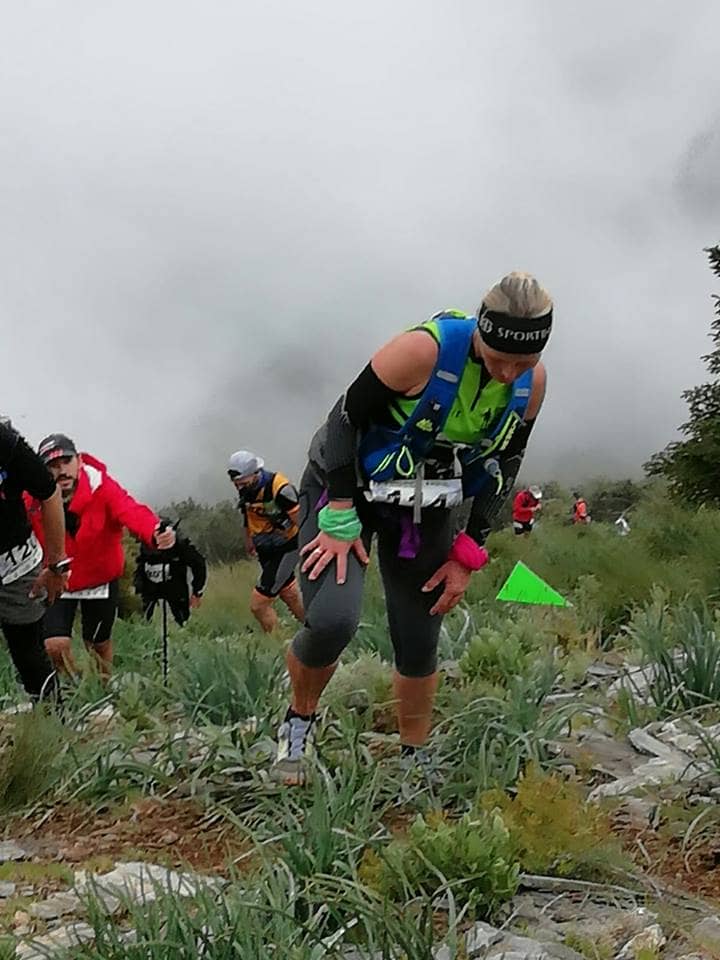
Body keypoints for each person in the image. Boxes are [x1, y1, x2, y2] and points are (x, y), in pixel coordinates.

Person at [272, 271, 552, 785]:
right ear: (479, 334)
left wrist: (472, 547)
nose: (509, 372)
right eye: (497, 358)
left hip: (424, 500)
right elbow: (343, 421)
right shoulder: (421, 352)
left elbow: (508, 459)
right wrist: (337, 511)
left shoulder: (531, 384)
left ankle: (413, 756)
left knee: (421, 632)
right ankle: (298, 721)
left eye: (524, 362)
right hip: (347, 486)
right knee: (333, 618)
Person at [25, 434, 176, 678]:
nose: (61, 470)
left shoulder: (102, 486)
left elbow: (131, 510)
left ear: (79, 460)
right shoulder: (33, 496)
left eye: (66, 461)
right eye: (52, 465)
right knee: (54, 646)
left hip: (100, 578)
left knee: (98, 644)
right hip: (58, 578)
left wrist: (155, 532)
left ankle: (102, 690)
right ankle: (73, 689)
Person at [0, 419, 69, 702]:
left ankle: (54, 730)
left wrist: (56, 565)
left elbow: (48, 492)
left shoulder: (4, 442)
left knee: (30, 659)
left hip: (16, 569)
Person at [228, 451, 304, 632]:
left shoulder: (280, 488)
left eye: (243, 483)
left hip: (286, 547)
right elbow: (247, 514)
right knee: (290, 594)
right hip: (264, 548)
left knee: (258, 604)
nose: (239, 488)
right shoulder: (246, 490)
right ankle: (319, 631)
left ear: (255, 474)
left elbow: (303, 521)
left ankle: (278, 643)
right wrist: (248, 539)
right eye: (236, 485)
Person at [134, 520, 208, 626]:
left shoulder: (181, 545)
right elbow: (134, 564)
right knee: (140, 619)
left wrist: (197, 591)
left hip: (175, 583)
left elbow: (199, 565)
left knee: (182, 620)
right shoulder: (142, 544)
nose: (163, 541)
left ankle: (183, 631)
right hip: (148, 585)